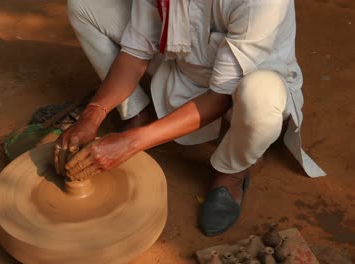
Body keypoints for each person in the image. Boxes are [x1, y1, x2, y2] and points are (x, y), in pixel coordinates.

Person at [53, 0, 326, 236]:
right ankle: (137, 113)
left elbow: (221, 95)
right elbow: (136, 53)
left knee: (260, 99)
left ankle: (231, 172)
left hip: (246, 84)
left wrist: (130, 143)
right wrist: (93, 114)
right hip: (185, 68)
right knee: (86, 5)